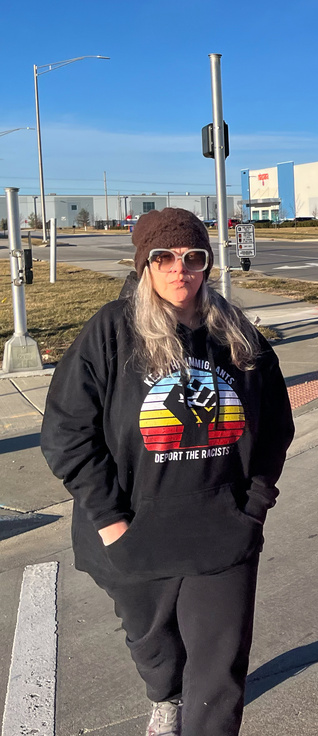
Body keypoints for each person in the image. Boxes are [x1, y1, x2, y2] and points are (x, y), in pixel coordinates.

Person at [40, 208, 294, 736]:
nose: (181, 270)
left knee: (220, 674)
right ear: (145, 265)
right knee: (153, 644)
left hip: (221, 530)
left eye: (193, 257)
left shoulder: (237, 335)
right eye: (165, 258)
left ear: (206, 264)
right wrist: (111, 520)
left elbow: (275, 426)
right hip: (134, 533)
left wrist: (252, 505)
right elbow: (67, 432)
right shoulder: (111, 332)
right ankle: (166, 695)